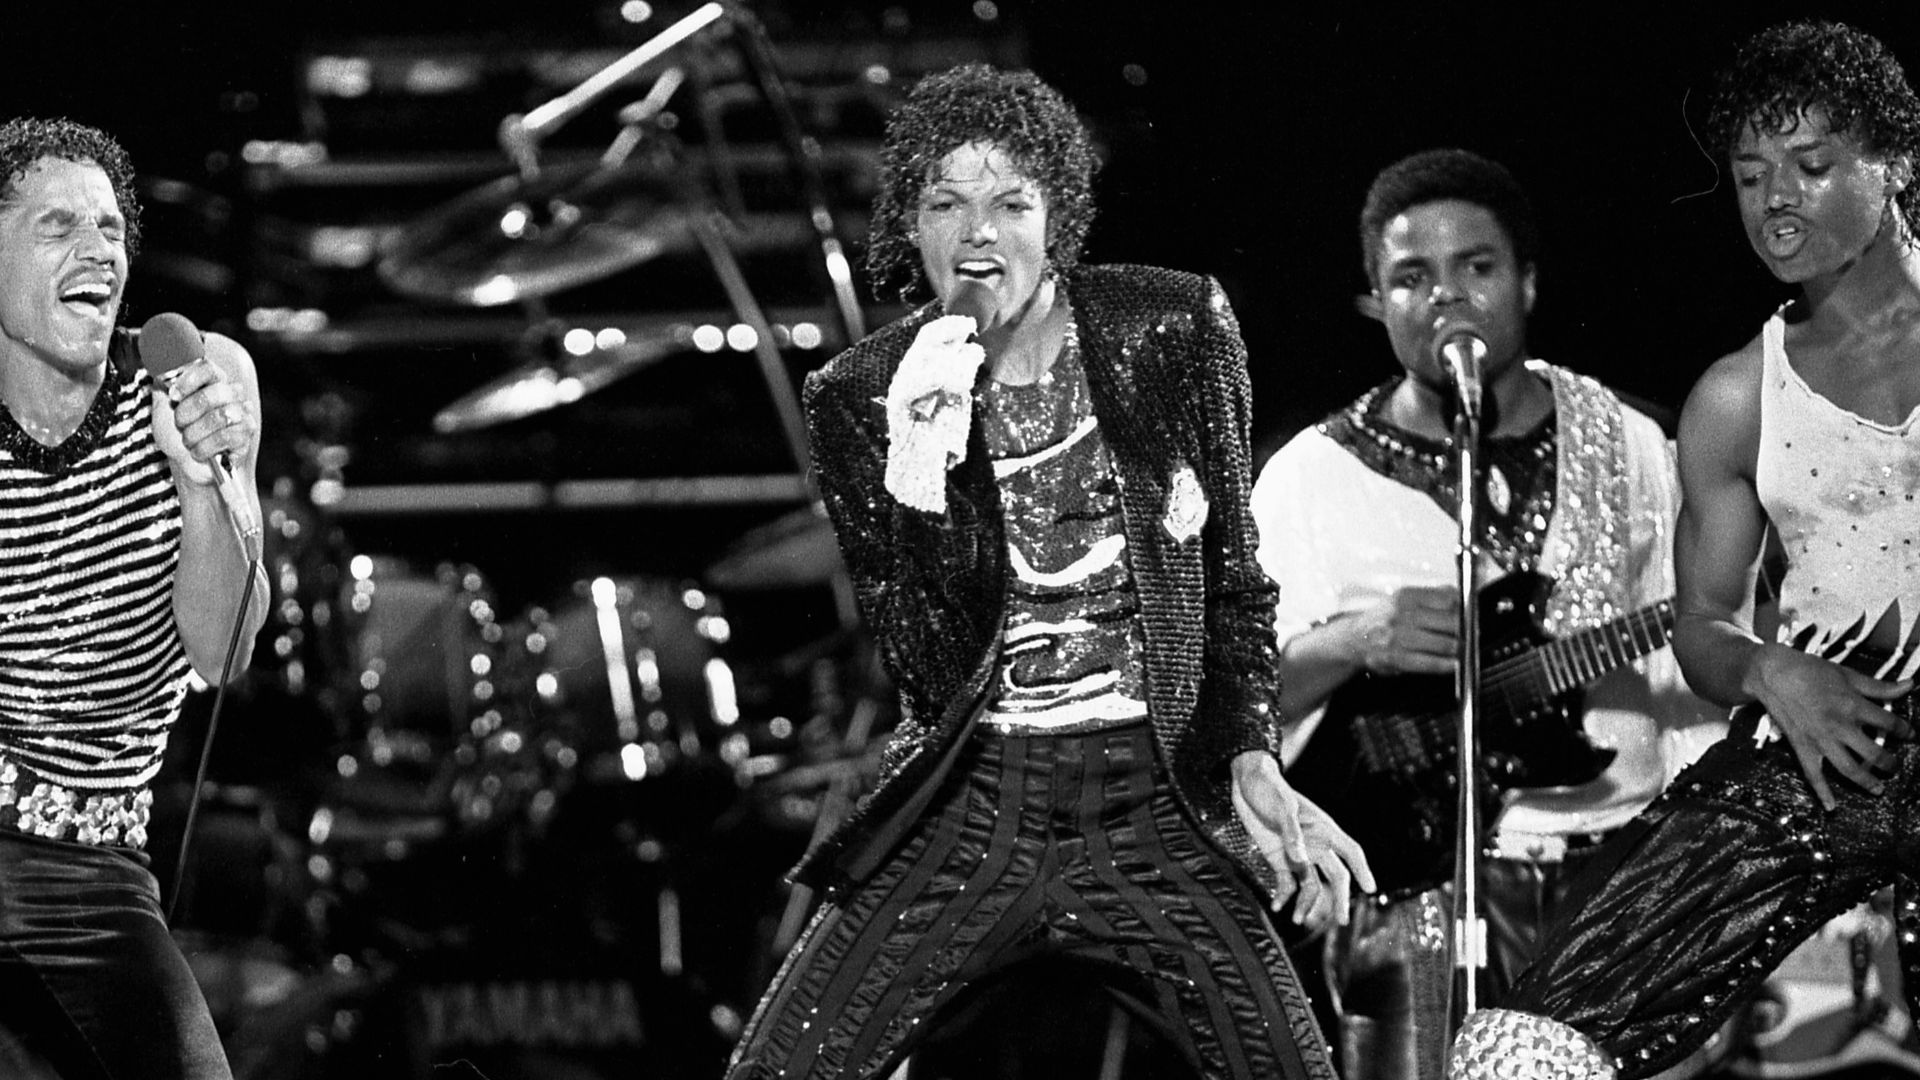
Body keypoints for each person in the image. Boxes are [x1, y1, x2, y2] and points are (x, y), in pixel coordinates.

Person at [724, 63, 1372, 1080]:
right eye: (947, 203)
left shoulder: (1172, 328)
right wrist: (922, 468)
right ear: (913, 228)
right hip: (977, 799)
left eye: (1009, 202)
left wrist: (1253, 760)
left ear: (1056, 214)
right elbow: (926, 664)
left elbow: (1236, 585)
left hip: (1148, 792)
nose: (979, 232)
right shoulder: (861, 394)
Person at [1449, 20, 1920, 1079]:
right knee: (1523, 1051)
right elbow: (1703, 625)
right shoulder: (1736, 394)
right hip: (1822, 745)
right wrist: (1769, 669)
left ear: (1895, 166)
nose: (1775, 202)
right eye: (1751, 178)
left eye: (1810, 166)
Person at [1248, 148, 1722, 1080]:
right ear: (1376, 303)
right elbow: (1242, 702)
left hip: (1614, 870)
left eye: (1478, 266)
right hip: (1407, 894)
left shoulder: (1630, 439)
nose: (1448, 297)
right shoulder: (1308, 474)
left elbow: (1690, 659)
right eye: (1412, 277)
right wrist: (1352, 643)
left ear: (1529, 282)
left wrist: (1692, 864)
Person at [0, 117, 266, 1079]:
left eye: (111, 229)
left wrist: (205, 484)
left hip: (96, 877)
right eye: (57, 226)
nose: (98, 251)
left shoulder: (199, 378)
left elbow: (223, 651)